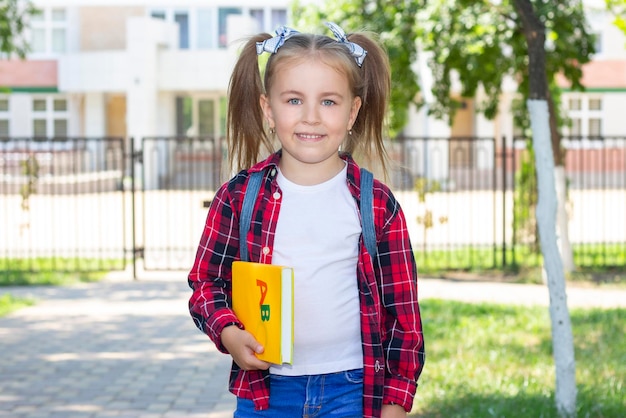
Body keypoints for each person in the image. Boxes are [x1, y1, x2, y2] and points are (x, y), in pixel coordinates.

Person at [188, 22, 425, 418]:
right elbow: (205, 283)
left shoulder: (376, 204)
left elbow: (404, 315)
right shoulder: (238, 198)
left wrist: (396, 403)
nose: (311, 117)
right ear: (268, 108)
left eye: (329, 102)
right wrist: (228, 332)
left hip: (352, 392)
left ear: (353, 111)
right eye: (294, 100)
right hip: (267, 395)